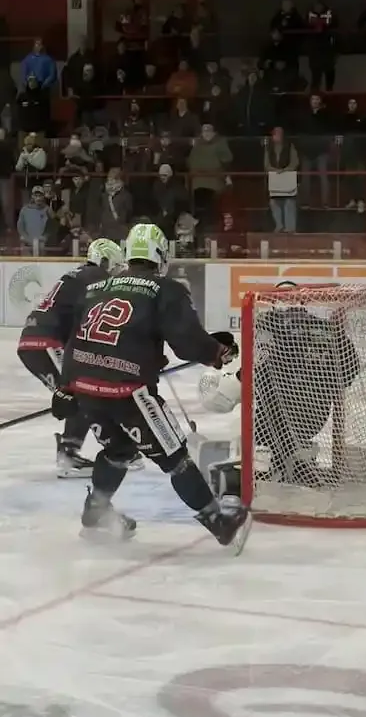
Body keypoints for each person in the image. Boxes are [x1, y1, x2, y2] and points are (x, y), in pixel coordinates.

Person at [50, 223, 251, 551]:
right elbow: (186, 342)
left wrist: (65, 387)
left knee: (118, 451)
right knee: (175, 457)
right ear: (160, 254)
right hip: (128, 393)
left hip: (86, 389)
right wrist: (216, 353)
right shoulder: (165, 289)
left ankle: (96, 512)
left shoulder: (96, 287)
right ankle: (217, 520)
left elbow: (76, 340)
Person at [195, 281, 360, 496]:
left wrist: (239, 376)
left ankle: (265, 466)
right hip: (315, 418)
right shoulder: (327, 329)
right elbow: (348, 374)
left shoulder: (268, 324)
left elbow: (255, 373)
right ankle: (293, 459)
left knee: (224, 397)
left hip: (272, 417)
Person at [16, 238, 133, 478]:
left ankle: (78, 448)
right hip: (46, 342)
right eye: (115, 266)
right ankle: (77, 452)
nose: (116, 272)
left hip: (34, 341)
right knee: (81, 390)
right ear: (105, 261)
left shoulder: (81, 275)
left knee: (80, 391)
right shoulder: (96, 277)